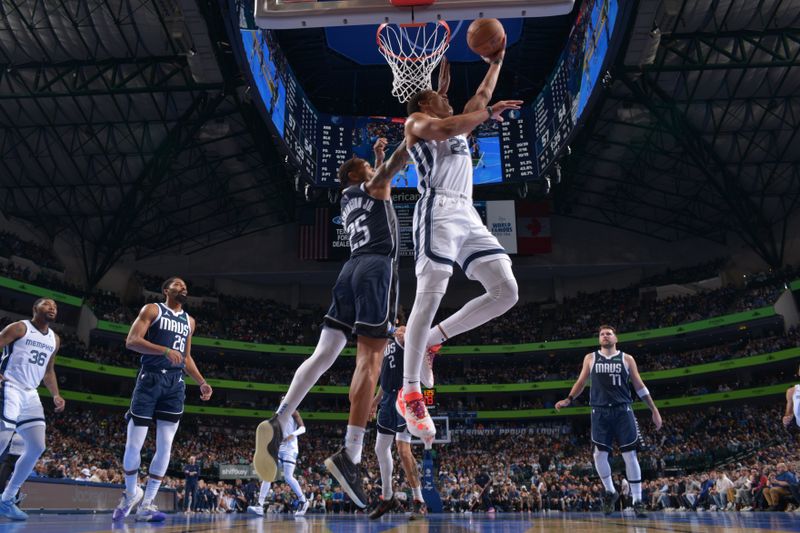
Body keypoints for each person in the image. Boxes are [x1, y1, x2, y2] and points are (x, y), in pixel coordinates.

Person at [252, 136, 410, 511]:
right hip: (376, 268)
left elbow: (377, 177)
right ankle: (350, 455)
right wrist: (415, 134)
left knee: (324, 353)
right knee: (370, 359)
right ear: (358, 175)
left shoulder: (348, 197)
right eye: (368, 168)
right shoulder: (372, 185)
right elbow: (394, 167)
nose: (374, 169)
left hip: (349, 271)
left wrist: (377, 158)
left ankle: (281, 418)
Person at [398, 43, 522, 443]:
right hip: (436, 208)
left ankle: (434, 339)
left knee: (507, 291)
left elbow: (481, 98)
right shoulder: (417, 120)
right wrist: (486, 113)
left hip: (467, 212)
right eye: (441, 96)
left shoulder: (456, 117)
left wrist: (496, 63)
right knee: (430, 294)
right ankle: (410, 390)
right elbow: (453, 124)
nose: (447, 98)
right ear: (424, 100)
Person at [112, 277, 213, 522]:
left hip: (175, 385)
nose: (184, 287)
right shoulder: (152, 309)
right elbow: (132, 341)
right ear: (166, 290)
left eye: (185, 285)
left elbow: (186, 357)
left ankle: (147, 504)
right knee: (134, 443)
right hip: (150, 380)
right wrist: (164, 350)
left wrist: (201, 381)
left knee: (165, 445)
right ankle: (130, 493)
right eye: (178, 284)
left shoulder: (189, 321)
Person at [556, 325, 663, 518]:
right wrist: (568, 399)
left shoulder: (627, 358)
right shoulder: (590, 358)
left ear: (616, 338)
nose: (605, 336)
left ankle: (637, 500)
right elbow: (581, 383)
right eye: (601, 334)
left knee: (630, 455)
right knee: (598, 455)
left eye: (608, 333)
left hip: (623, 410)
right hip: (599, 411)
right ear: (599, 339)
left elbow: (639, 386)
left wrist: (654, 409)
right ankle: (610, 491)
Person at [0, 298, 64, 521]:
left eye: (55, 306)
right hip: (9, 385)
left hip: (31, 393)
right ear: (35, 309)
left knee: (37, 446)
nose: (52, 308)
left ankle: (6, 500)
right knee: (3, 438)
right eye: (47, 305)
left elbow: (48, 371)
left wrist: (56, 394)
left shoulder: (55, 339)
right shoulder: (19, 327)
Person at [368, 326, 426, 520]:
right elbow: (385, 379)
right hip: (387, 398)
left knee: (403, 450)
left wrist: (403, 331)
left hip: (405, 397)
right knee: (379, 447)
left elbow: (413, 334)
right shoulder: (386, 345)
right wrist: (375, 402)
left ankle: (419, 500)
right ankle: (388, 496)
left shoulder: (404, 337)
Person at [248, 409, 309, 516]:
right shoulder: (277, 415)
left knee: (288, 477)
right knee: (268, 475)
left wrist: (292, 435)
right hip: (279, 447)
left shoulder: (293, 411)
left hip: (291, 448)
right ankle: (260, 505)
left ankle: (303, 501)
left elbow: (303, 428)